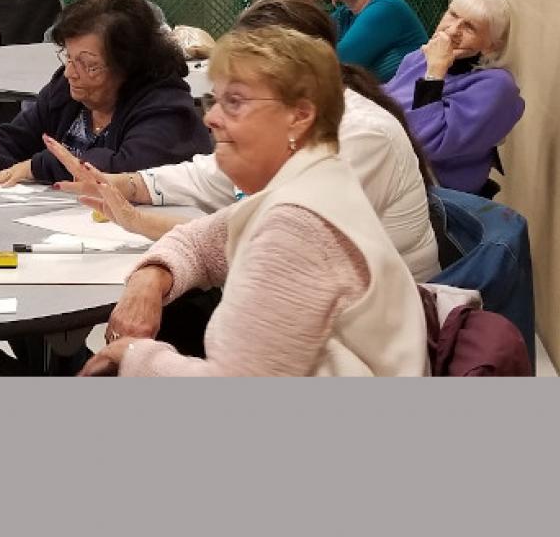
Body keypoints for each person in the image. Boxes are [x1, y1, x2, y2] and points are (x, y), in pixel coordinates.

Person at [79, 26, 429, 376]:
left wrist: (135, 357)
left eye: (235, 102)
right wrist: (151, 278)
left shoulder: (297, 227)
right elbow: (200, 241)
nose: (210, 118)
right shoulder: (316, 181)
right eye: (215, 100)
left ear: (300, 115)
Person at [56, 0, 441, 282]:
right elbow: (212, 177)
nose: (212, 120)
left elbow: (263, 242)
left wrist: (138, 222)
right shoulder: (298, 115)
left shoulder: (361, 136)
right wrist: (127, 184)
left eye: (238, 95)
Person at [0, 0, 210, 188]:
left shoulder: (165, 107)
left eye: (88, 64)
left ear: (129, 64)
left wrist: (36, 166)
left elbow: (124, 169)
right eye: (68, 57)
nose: (71, 72)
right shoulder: (67, 88)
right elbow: (17, 138)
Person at [384, 0, 524, 195]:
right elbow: (383, 102)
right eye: (452, 14)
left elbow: (427, 143)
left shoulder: (496, 87)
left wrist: (435, 73)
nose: (452, 30)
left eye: (470, 27)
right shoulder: (420, 58)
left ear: (492, 45)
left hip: (433, 195)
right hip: (390, 169)